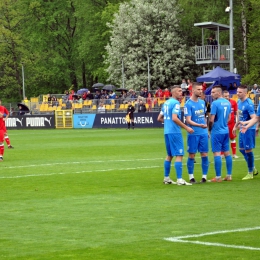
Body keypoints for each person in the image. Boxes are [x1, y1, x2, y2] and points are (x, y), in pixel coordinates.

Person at [157, 85, 194, 185]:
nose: (181, 92)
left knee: (169, 155)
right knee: (179, 154)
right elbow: (174, 118)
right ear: (173, 92)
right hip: (174, 132)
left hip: (167, 131)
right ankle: (179, 179)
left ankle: (166, 178)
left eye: (181, 90)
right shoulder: (176, 103)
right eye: (179, 91)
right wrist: (186, 127)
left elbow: (159, 118)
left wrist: (167, 123)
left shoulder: (166, 103)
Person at [184, 82, 209, 184]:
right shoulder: (188, 104)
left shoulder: (202, 102)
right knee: (192, 155)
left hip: (203, 133)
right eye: (198, 89)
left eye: (201, 89)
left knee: (204, 154)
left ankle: (204, 177)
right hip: (193, 133)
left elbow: (204, 116)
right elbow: (188, 120)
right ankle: (191, 177)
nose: (200, 91)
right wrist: (200, 125)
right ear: (193, 90)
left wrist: (206, 129)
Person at [232, 85, 258, 180]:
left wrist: (246, 124)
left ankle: (250, 173)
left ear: (245, 93)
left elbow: (254, 118)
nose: (238, 94)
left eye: (240, 92)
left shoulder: (249, 104)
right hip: (242, 129)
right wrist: (235, 126)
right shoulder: (239, 101)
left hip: (249, 129)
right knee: (241, 149)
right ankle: (253, 167)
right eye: (237, 92)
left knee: (248, 150)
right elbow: (239, 116)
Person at [208, 85, 232, 182]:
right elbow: (230, 118)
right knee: (227, 153)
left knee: (217, 153)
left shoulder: (215, 103)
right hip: (225, 130)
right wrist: (223, 123)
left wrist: (209, 129)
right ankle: (229, 175)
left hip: (217, 131)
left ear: (218, 93)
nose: (211, 94)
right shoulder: (228, 102)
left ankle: (218, 177)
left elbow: (212, 119)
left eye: (213, 92)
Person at [222, 90, 239, 159]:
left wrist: (237, 123)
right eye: (225, 96)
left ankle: (234, 154)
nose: (227, 97)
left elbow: (236, 113)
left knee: (232, 138)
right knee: (222, 139)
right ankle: (222, 154)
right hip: (223, 124)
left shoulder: (233, 102)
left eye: (228, 96)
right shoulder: (221, 103)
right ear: (222, 96)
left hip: (232, 124)